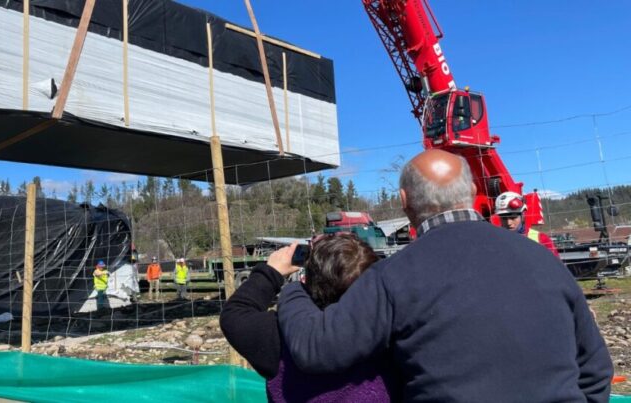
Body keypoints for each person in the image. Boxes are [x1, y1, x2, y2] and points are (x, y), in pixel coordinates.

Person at [278, 149, 612, 401]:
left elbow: (316, 349)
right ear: (469, 191)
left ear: (404, 201)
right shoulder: (544, 259)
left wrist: (292, 288)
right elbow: (596, 370)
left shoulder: (394, 276)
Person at [220, 234, 396, 402]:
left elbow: (235, 314)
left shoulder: (281, 337)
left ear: (309, 280)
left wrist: (271, 272)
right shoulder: (392, 326)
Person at [495, 191, 559, 257]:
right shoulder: (495, 240)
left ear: (523, 215)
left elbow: (555, 265)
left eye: (513, 217)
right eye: (504, 218)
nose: (509, 223)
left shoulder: (541, 239)